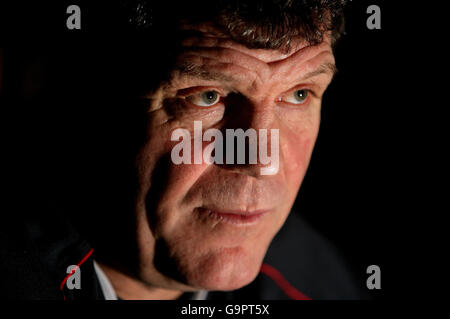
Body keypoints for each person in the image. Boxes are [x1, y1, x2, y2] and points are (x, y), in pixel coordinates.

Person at [0, 0, 368, 300]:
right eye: (207, 96)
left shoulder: (310, 279)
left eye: (298, 94)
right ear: (81, 98)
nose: (260, 161)